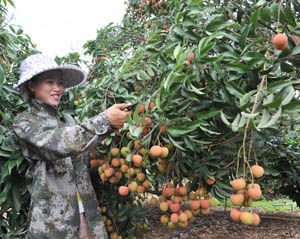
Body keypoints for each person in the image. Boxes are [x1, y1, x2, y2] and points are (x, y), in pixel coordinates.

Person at [13, 53, 132, 239]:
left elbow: (82, 145)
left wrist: (111, 126)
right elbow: (59, 144)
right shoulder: (25, 123)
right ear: (32, 86)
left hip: (85, 212)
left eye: (60, 83)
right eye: (50, 82)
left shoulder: (68, 120)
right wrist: (103, 120)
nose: (57, 88)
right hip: (53, 223)